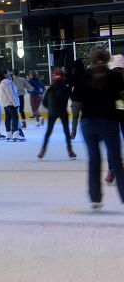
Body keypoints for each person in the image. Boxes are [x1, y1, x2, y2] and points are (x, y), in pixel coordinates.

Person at [71, 48, 124, 210]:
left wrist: (74, 125)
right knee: (116, 161)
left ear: (91, 60)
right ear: (108, 60)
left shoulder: (83, 79)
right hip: (109, 122)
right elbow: (122, 101)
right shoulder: (116, 78)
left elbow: (76, 105)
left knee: (94, 161)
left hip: (88, 124)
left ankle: (95, 199)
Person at [38, 70, 75, 160]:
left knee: (48, 132)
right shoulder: (66, 88)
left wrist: (50, 107)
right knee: (66, 131)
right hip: (62, 111)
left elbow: (44, 102)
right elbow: (72, 97)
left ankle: (42, 150)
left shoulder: (50, 89)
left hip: (52, 112)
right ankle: (70, 151)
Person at [0, 71, 22, 142]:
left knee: (8, 118)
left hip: (6, 103)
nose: (10, 73)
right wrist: (15, 103)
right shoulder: (6, 82)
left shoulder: (2, 82)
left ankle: (9, 134)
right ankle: (15, 134)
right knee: (15, 118)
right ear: (5, 74)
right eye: (8, 72)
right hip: (10, 103)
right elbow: (10, 93)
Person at [68, 59, 86, 139]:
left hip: (76, 98)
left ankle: (73, 131)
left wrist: (72, 97)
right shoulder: (86, 74)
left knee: (75, 117)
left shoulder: (73, 75)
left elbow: (69, 88)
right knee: (85, 116)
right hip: (86, 99)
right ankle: (85, 131)